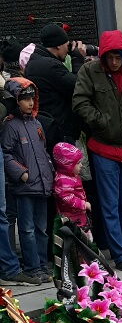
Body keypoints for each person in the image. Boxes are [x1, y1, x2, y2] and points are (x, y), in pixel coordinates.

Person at [72, 30, 122, 272]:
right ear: (104, 56)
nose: (114, 62)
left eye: (118, 58)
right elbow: (80, 102)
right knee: (110, 205)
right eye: (110, 57)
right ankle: (120, 254)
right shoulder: (89, 71)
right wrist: (100, 122)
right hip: (104, 147)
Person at [1, 78, 54, 284]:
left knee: (41, 228)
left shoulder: (36, 123)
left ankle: (42, 264)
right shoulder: (10, 126)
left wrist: (49, 173)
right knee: (28, 229)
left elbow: (43, 151)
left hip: (41, 184)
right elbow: (6, 154)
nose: (30, 103)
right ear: (16, 101)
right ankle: (32, 267)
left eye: (32, 98)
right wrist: (21, 173)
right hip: (24, 186)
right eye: (25, 99)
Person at [25, 23, 86, 146]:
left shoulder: (33, 62)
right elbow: (78, 86)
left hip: (48, 127)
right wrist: (78, 60)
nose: (68, 49)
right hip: (59, 130)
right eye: (67, 45)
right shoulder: (51, 66)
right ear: (58, 45)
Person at [51, 141, 94, 243]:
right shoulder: (63, 180)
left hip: (78, 215)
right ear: (68, 165)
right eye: (77, 163)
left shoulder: (72, 176)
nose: (81, 165)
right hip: (71, 217)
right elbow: (67, 197)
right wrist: (83, 205)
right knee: (79, 241)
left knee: (86, 239)